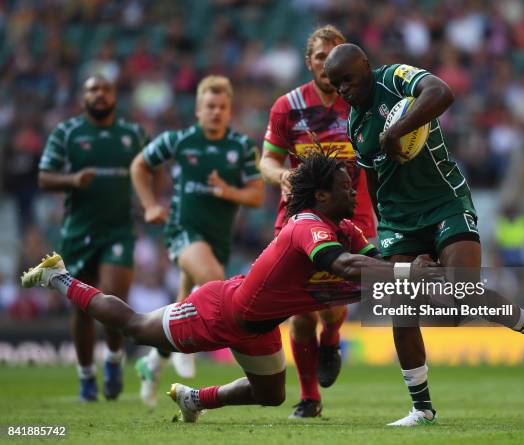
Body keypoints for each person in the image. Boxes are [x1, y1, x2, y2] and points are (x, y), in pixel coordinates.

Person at [22, 153, 439, 423]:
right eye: (347, 185)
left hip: (258, 326)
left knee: (272, 395)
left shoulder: (343, 227)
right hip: (222, 310)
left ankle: (195, 399)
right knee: (134, 325)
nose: (354, 189)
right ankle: (59, 276)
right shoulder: (307, 225)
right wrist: (408, 273)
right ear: (323, 194)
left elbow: (377, 265)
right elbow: (347, 266)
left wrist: (410, 264)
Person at [324, 43, 524, 426]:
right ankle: (422, 409)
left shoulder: (394, 78)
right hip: (398, 220)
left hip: (444, 201)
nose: (342, 89)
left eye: (347, 79)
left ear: (366, 65)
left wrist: (398, 130)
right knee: (401, 309)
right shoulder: (354, 123)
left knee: (459, 295)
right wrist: (386, 231)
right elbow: (373, 179)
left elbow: (442, 92)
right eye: (335, 84)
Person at [259, 25, 376, 418]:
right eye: (321, 57)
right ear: (309, 62)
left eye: (335, 55)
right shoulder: (287, 106)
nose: (328, 63)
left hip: (352, 215)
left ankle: (333, 335)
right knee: (301, 311)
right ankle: (310, 397)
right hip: (299, 215)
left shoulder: (361, 100)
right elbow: (268, 161)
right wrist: (282, 176)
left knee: (331, 307)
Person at [130, 75, 264, 404]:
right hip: (182, 231)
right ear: (198, 109)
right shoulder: (178, 141)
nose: (216, 112)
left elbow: (257, 196)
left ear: (229, 110)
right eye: (210, 106)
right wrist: (149, 205)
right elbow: (139, 165)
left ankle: (153, 362)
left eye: (222, 107)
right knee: (213, 282)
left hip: (218, 238)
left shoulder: (242, 147)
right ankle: (186, 347)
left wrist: (228, 191)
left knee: (183, 304)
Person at [38, 75, 148, 401]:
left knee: (113, 298)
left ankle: (114, 360)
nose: (99, 95)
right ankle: (86, 376)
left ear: (115, 95)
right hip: (78, 232)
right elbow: (44, 177)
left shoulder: (133, 134)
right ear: (83, 97)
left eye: (105, 90)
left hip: (119, 230)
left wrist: (150, 200)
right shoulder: (67, 133)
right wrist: (72, 179)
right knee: (83, 311)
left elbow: (151, 167)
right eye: (92, 90)